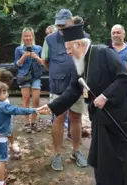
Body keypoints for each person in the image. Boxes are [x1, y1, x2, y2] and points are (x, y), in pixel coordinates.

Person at [38, 24, 127, 185]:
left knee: (115, 158)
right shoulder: (79, 61)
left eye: (69, 48)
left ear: (79, 44)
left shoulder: (103, 52)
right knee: (101, 158)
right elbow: (74, 89)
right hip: (99, 116)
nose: (68, 52)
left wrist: (105, 96)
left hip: (116, 116)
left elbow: (124, 79)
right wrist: (53, 106)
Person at [41, 9, 87, 171]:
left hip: (77, 87)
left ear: (71, 23)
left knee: (76, 119)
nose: (60, 27)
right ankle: (57, 154)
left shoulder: (84, 38)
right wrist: (58, 72)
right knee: (58, 118)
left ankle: (76, 151)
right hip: (58, 87)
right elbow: (46, 62)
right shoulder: (50, 40)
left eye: (63, 24)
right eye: (58, 24)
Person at [0, 81, 38, 185]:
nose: (7, 94)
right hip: (1, 140)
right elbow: (18, 110)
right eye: (4, 92)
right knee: (1, 161)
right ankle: (0, 182)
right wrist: (35, 109)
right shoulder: (3, 106)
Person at [14, 27, 43, 133]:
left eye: (29, 35)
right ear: (23, 37)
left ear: (32, 36)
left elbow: (43, 63)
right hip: (24, 76)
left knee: (36, 100)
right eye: (26, 36)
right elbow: (17, 64)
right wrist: (24, 56)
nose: (28, 38)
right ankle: (27, 123)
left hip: (36, 76)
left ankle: (34, 122)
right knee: (25, 100)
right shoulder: (18, 49)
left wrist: (36, 57)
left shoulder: (39, 48)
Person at [0, 69, 20, 153]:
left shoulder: (0, 90)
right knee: (7, 131)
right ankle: (10, 145)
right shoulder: (0, 92)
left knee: (7, 131)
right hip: (3, 116)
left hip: (2, 116)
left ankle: (10, 144)